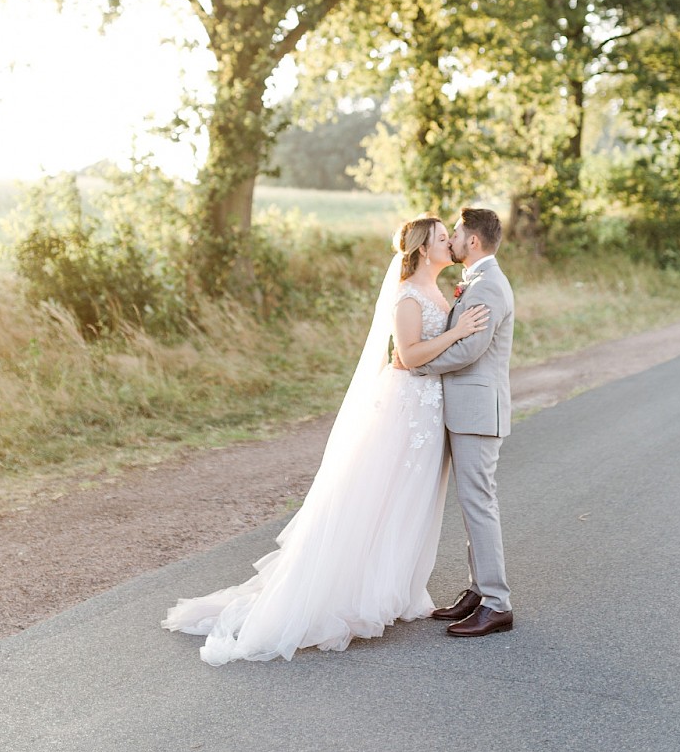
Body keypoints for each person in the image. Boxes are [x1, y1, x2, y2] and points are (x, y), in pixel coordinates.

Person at [161, 215, 489, 664]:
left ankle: (395, 590)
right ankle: (346, 596)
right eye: (441, 237)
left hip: (428, 412)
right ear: (421, 248)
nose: (449, 241)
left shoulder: (436, 288)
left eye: (449, 236)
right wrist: (457, 331)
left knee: (410, 500)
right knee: (376, 496)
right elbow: (409, 356)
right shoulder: (408, 296)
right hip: (405, 408)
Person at [406, 205, 515, 637]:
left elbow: (470, 351)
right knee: (473, 502)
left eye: (454, 232)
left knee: (479, 502)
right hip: (466, 409)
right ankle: (478, 590)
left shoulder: (489, 286)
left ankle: (497, 602)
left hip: (476, 412)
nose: (450, 238)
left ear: (473, 241)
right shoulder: (478, 281)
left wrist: (416, 366)